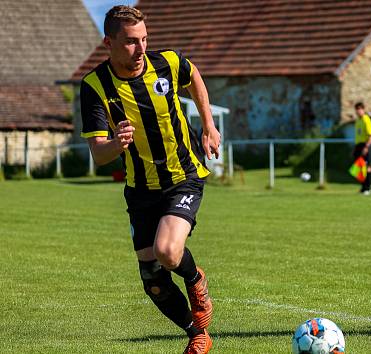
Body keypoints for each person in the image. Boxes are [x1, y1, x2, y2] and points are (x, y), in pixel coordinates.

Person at [80, 6, 219, 353]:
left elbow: (194, 76)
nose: (140, 49)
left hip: (182, 176)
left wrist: (209, 125)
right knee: (153, 280)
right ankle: (197, 335)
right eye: (130, 42)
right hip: (140, 190)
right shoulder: (95, 86)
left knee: (168, 252)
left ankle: (194, 277)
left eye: (144, 39)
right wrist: (117, 143)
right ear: (108, 42)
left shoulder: (167, 63)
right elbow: (99, 154)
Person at [352, 102, 371, 194]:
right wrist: (355, 147)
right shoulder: (358, 120)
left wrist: (366, 147)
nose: (358, 111)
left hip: (366, 145)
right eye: (356, 109)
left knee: (367, 167)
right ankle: (363, 187)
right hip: (359, 145)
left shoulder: (366, 120)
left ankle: (368, 187)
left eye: (359, 109)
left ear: (363, 109)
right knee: (359, 167)